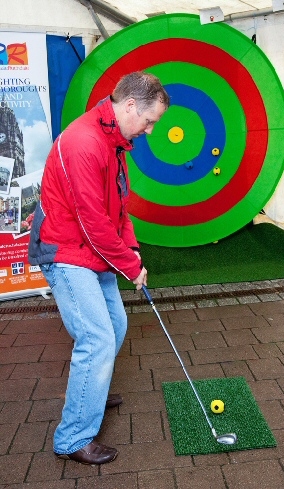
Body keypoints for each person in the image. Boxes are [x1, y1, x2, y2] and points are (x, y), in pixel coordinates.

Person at [28, 71, 170, 465]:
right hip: (66, 249)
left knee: (116, 327)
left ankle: (92, 388)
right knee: (97, 338)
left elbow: (119, 208)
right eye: (149, 121)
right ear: (128, 107)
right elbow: (93, 222)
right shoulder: (85, 143)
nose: (150, 130)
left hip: (92, 249)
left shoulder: (114, 142)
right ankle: (73, 438)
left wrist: (134, 252)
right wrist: (128, 265)